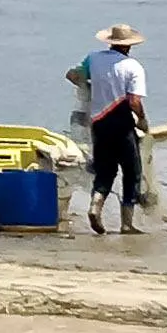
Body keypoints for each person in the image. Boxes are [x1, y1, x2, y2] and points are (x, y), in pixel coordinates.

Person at [65, 23, 149, 235]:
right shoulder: (133, 67)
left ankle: (95, 208)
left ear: (111, 42)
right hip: (122, 126)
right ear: (129, 46)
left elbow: (72, 75)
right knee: (132, 173)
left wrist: (91, 86)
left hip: (99, 125)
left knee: (105, 171)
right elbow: (134, 102)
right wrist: (142, 119)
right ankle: (127, 224)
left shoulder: (93, 58)